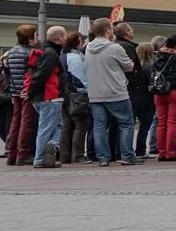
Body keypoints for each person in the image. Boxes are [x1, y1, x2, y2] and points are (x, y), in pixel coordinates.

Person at [86, 17, 141, 166]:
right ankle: (127, 155)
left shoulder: (88, 47)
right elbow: (129, 66)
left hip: (95, 92)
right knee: (126, 123)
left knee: (99, 125)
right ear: (108, 30)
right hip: (116, 91)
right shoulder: (114, 48)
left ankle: (103, 158)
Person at [28, 25, 66, 168]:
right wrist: (31, 92)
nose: (66, 38)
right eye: (64, 35)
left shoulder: (44, 51)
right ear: (59, 38)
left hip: (43, 97)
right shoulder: (51, 53)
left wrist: (31, 93)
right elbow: (42, 74)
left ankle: (49, 148)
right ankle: (41, 156)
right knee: (47, 128)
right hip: (50, 95)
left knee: (57, 124)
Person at [114, 23, 152, 161]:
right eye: (130, 29)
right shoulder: (128, 47)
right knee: (129, 123)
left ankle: (117, 151)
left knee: (119, 123)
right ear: (125, 33)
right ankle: (131, 152)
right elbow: (132, 69)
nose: (133, 30)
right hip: (135, 91)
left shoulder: (115, 45)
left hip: (122, 88)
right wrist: (137, 84)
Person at [3, 24, 38, 166]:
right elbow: (32, 74)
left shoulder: (11, 52)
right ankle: (23, 154)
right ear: (29, 38)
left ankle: (12, 154)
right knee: (27, 123)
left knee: (15, 122)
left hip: (14, 91)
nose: (37, 37)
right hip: (26, 92)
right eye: (35, 35)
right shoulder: (31, 53)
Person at [150, 35, 176, 161]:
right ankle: (170, 153)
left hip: (159, 91)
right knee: (173, 123)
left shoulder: (157, 56)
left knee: (161, 123)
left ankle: (161, 152)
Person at [60, 31, 91, 163]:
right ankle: (78, 155)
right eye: (82, 40)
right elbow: (78, 78)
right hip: (75, 95)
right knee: (80, 124)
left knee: (66, 125)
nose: (83, 42)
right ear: (76, 42)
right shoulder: (74, 57)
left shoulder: (63, 55)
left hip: (63, 94)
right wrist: (85, 90)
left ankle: (65, 155)